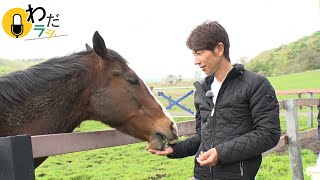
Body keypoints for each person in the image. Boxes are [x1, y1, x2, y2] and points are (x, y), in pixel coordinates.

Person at [148, 20, 281, 179]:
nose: (196, 61)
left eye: (199, 53)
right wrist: (175, 149)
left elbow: (268, 134)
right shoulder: (202, 90)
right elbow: (202, 136)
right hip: (201, 176)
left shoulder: (256, 85)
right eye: (194, 54)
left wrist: (220, 153)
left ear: (219, 48)